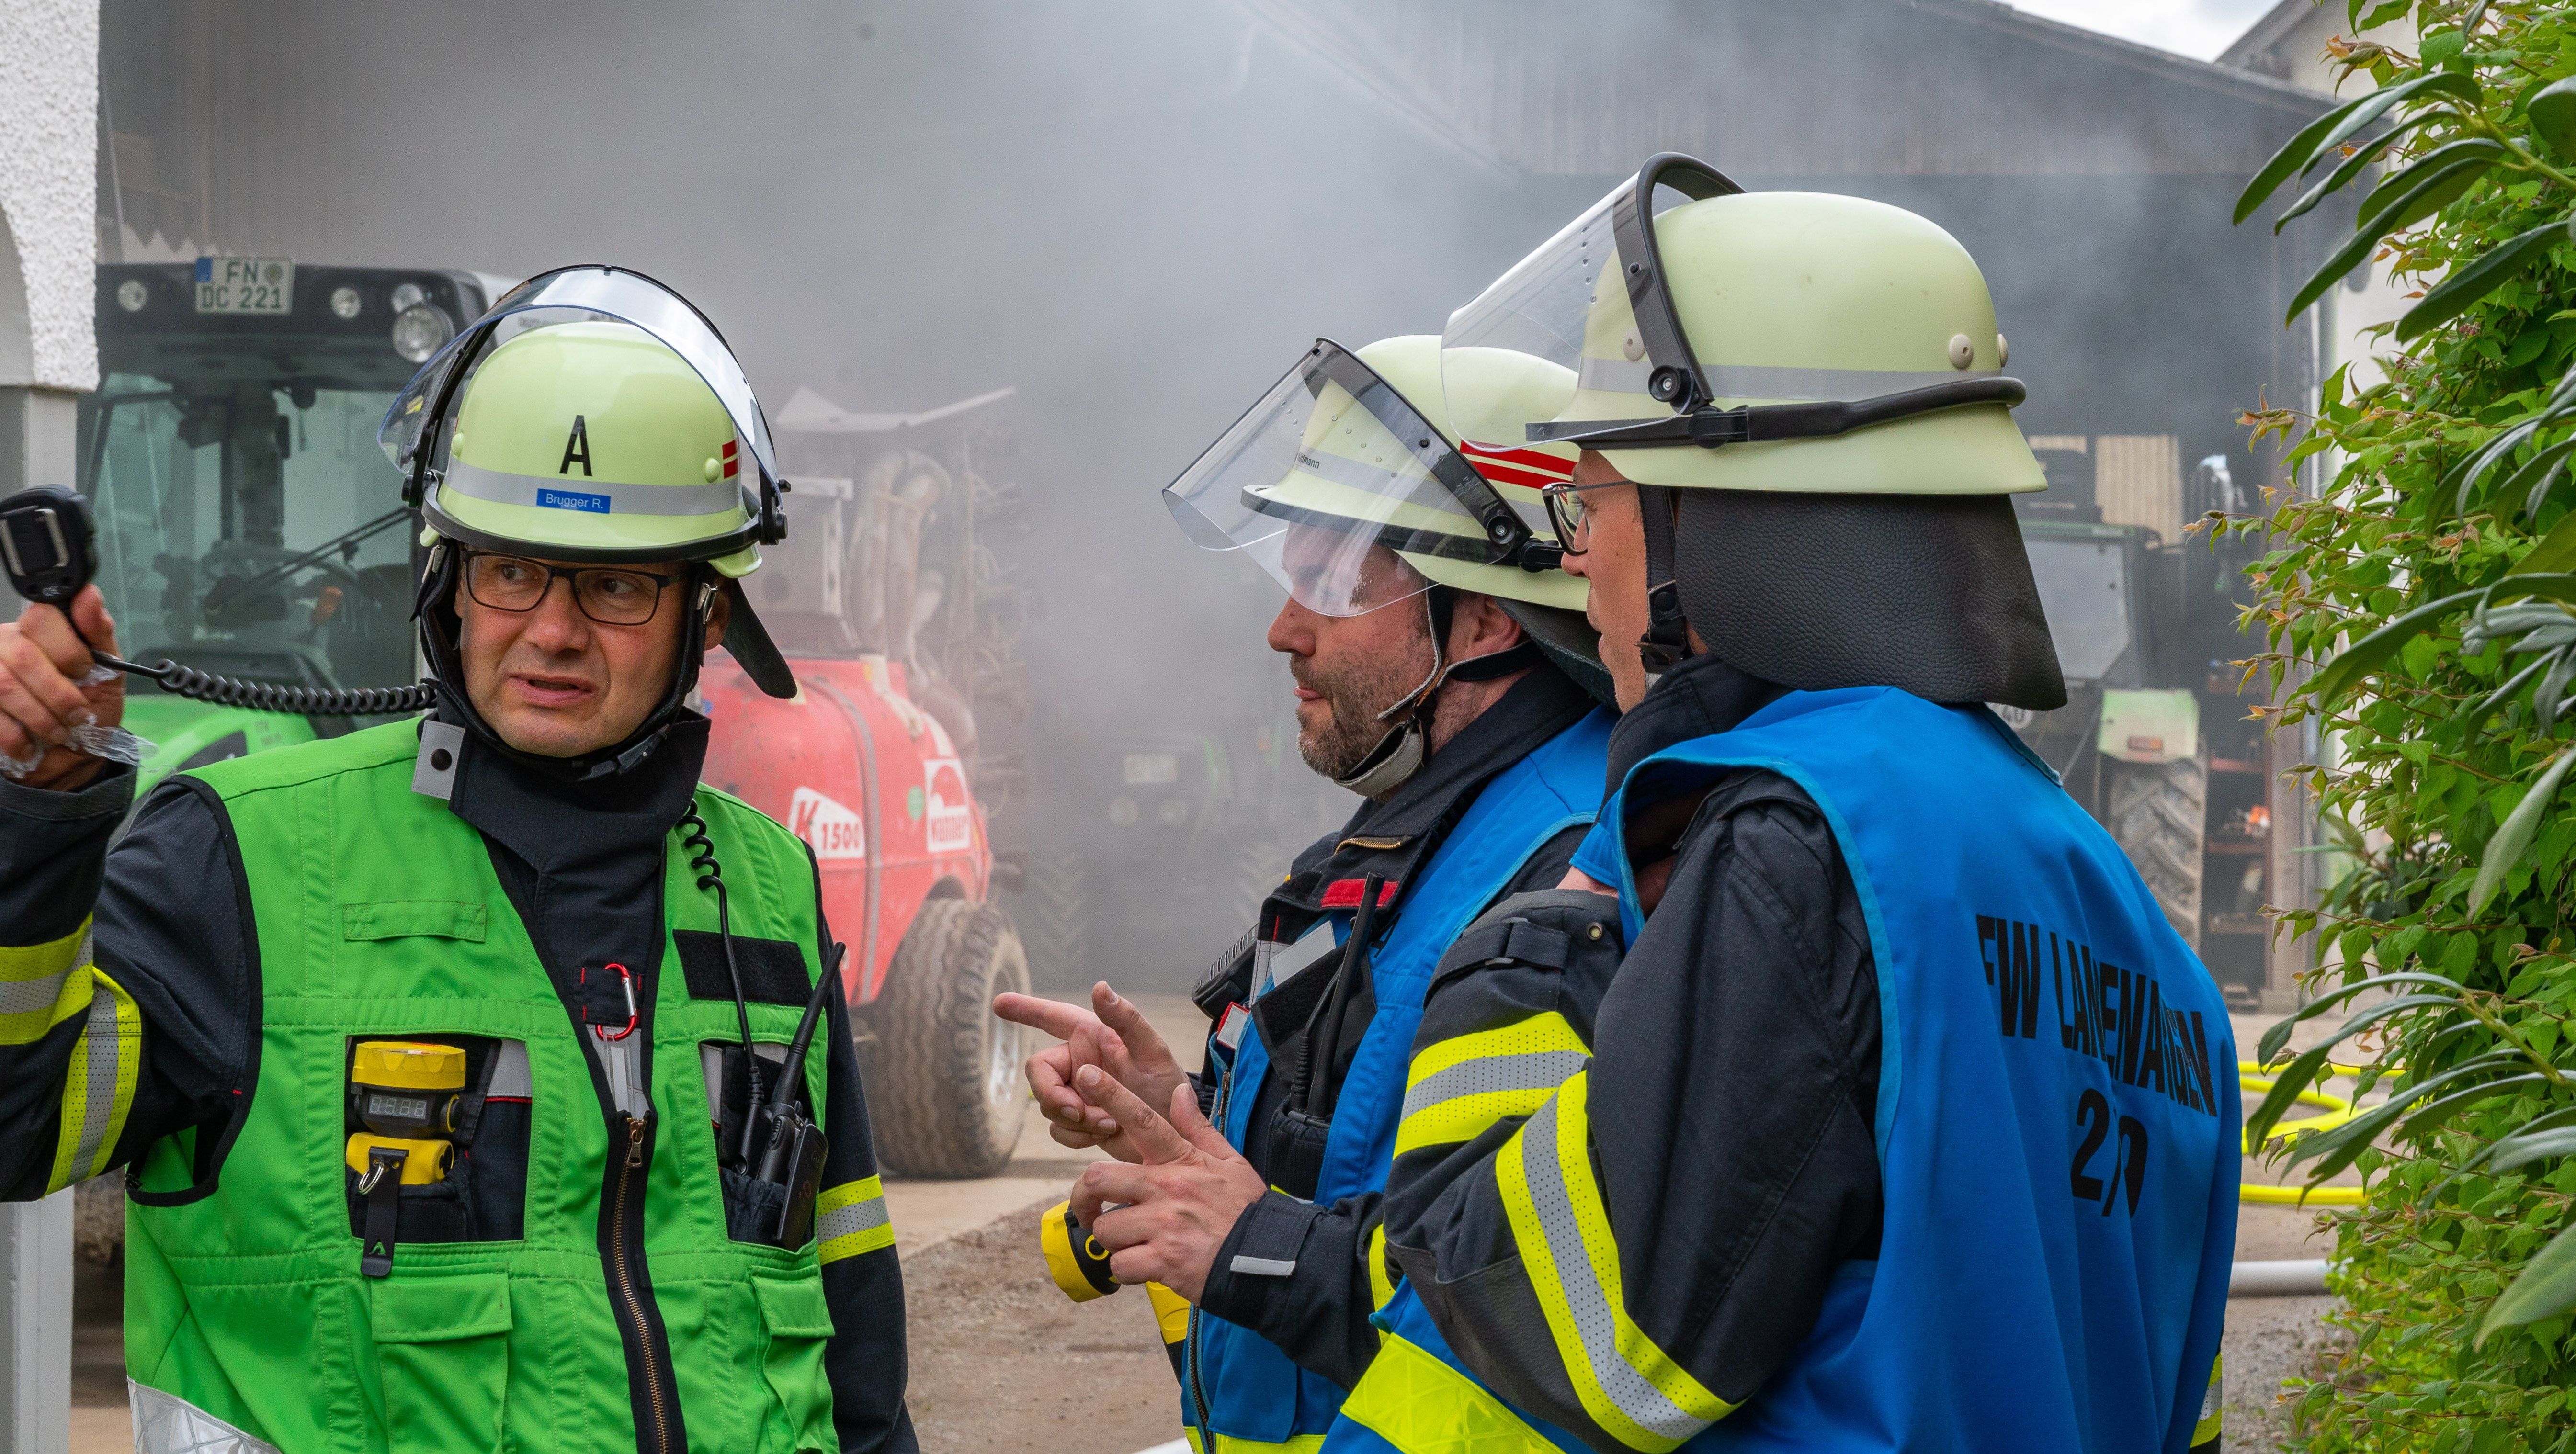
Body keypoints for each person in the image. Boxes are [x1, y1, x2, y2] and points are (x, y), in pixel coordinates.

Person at [1328, 161, 2237, 1454]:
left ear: (1724, 513)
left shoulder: (1801, 841)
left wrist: (1516, 981)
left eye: (1593, 498)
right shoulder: (2136, 929)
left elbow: (1597, 1346)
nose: (1577, 555)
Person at [0, 268, 913, 1454]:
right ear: (446, 583)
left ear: (705, 615)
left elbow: (849, 1314)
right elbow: (20, 1126)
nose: (551, 629)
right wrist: (37, 824)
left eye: (618, 585)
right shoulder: (243, 857)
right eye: (511, 569)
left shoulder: (772, 890)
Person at [994, 334, 1617, 1454]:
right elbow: (1341, 1159)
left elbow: (1526, 1310)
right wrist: (1179, 1113)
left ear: (1484, 616)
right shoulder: (1413, 835)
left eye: (1333, 580)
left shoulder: (1580, 873)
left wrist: (1255, 1245)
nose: (1285, 628)